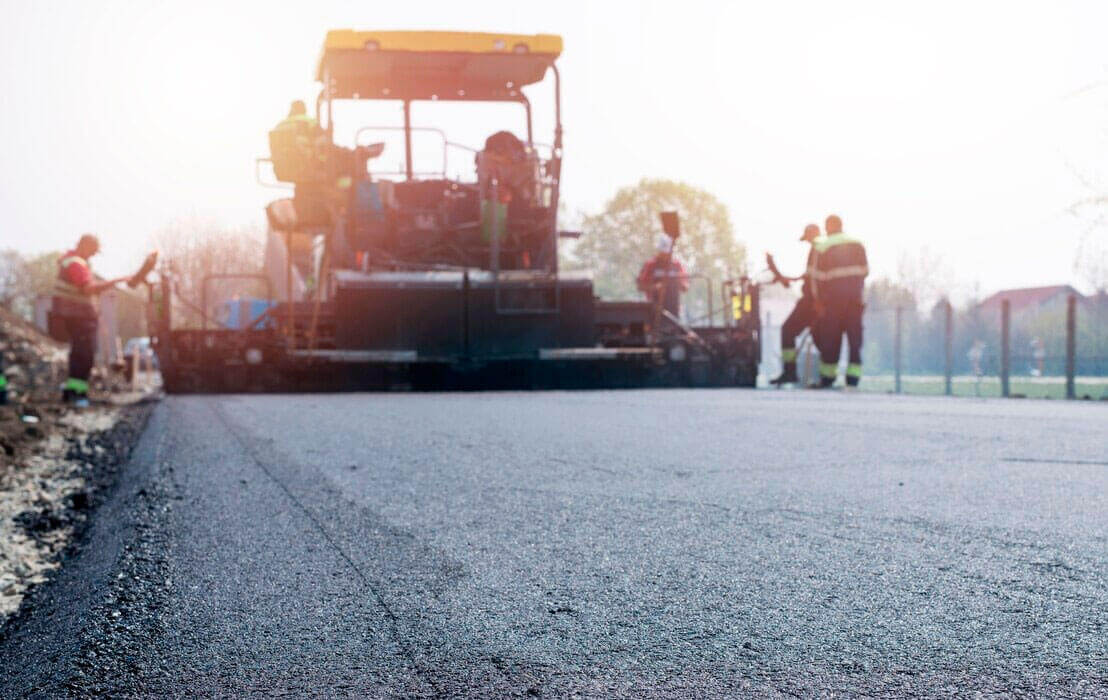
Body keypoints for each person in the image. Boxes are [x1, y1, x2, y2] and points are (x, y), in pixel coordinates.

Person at [52, 234, 124, 407]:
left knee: (80, 354)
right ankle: (77, 394)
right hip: (78, 317)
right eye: (92, 251)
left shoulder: (70, 261)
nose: (92, 255)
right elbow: (88, 288)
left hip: (77, 317)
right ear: (84, 245)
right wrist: (114, 281)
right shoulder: (76, 263)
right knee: (83, 355)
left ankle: (73, 392)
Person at [810, 215, 868, 388]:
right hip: (855, 300)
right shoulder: (857, 243)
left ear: (828, 227)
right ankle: (853, 378)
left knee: (830, 339)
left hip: (832, 301)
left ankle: (828, 377)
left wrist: (818, 301)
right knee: (855, 339)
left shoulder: (822, 246)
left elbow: (816, 278)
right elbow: (865, 271)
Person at [769, 223, 822, 386]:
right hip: (814, 300)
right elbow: (808, 276)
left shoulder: (818, 249)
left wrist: (817, 301)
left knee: (788, 330)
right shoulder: (817, 250)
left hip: (812, 301)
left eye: (808, 238)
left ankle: (790, 372)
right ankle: (793, 372)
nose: (807, 241)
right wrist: (789, 279)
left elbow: (815, 279)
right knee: (818, 336)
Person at [637, 235, 689, 317]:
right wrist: (655, 287)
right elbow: (641, 286)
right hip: (654, 310)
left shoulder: (677, 265)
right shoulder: (650, 265)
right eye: (663, 253)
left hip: (674, 310)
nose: (666, 256)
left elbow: (685, 287)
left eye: (667, 254)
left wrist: (678, 284)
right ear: (659, 251)